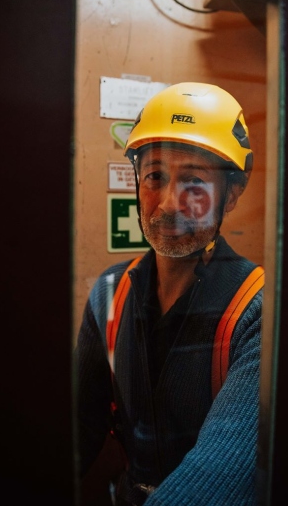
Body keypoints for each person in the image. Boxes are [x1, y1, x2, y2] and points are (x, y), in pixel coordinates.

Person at [77, 82, 264, 505]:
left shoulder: (258, 310)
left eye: (194, 181)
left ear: (231, 194)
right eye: (155, 176)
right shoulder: (109, 293)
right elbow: (79, 429)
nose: (167, 203)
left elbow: (219, 474)